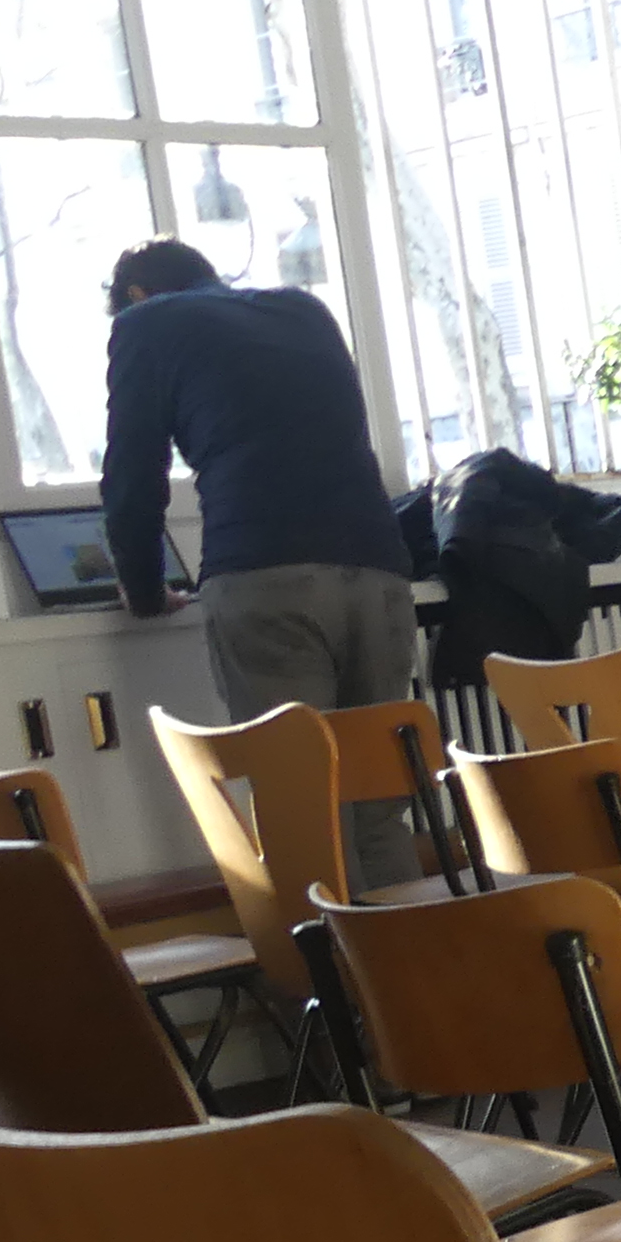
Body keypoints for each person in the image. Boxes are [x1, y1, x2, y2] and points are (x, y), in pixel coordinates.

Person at [100, 237, 422, 892]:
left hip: (265, 577)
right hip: (378, 572)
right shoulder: (305, 310)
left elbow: (133, 477)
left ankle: (330, 960)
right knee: (378, 804)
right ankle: (414, 955)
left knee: (302, 808)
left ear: (135, 293)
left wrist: (143, 591)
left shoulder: (145, 323)